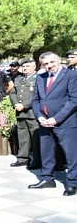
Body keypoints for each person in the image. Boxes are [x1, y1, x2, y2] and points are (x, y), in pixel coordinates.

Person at [29, 52, 77, 196]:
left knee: (71, 154)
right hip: (45, 122)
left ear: (59, 60)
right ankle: (48, 178)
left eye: (52, 62)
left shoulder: (71, 76)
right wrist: (39, 116)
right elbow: (35, 100)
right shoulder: (41, 78)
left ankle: (73, 182)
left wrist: (57, 118)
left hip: (65, 122)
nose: (49, 66)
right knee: (47, 151)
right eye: (45, 64)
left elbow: (74, 100)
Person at [9, 58, 41, 169]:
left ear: (34, 67)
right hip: (20, 113)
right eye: (23, 66)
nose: (25, 68)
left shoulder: (38, 79)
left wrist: (24, 105)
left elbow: (37, 95)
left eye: (27, 66)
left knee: (36, 138)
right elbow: (12, 93)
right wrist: (16, 104)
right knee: (22, 137)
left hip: (32, 113)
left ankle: (38, 160)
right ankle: (23, 158)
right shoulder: (18, 78)